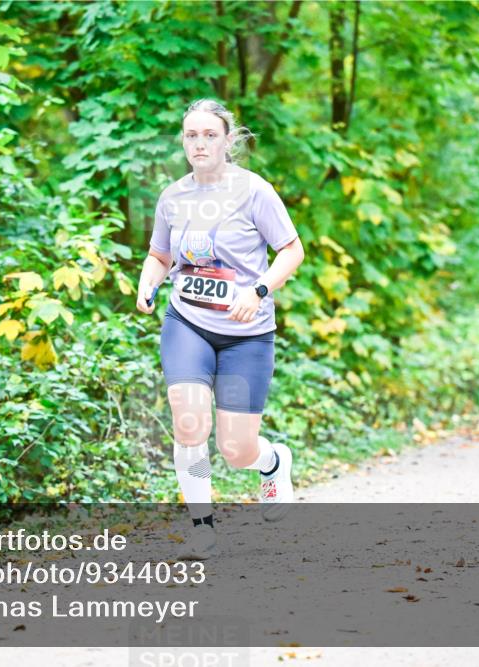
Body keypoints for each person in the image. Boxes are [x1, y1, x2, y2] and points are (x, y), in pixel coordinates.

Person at [136, 99, 305, 560]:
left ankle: (273, 463)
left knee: (235, 449)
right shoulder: (172, 197)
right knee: (188, 422)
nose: (200, 143)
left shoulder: (254, 192)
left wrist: (260, 291)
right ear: (183, 142)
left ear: (228, 141)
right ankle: (202, 527)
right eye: (192, 135)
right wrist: (148, 283)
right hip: (187, 322)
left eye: (210, 135)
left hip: (245, 335)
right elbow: (160, 256)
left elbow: (292, 251)